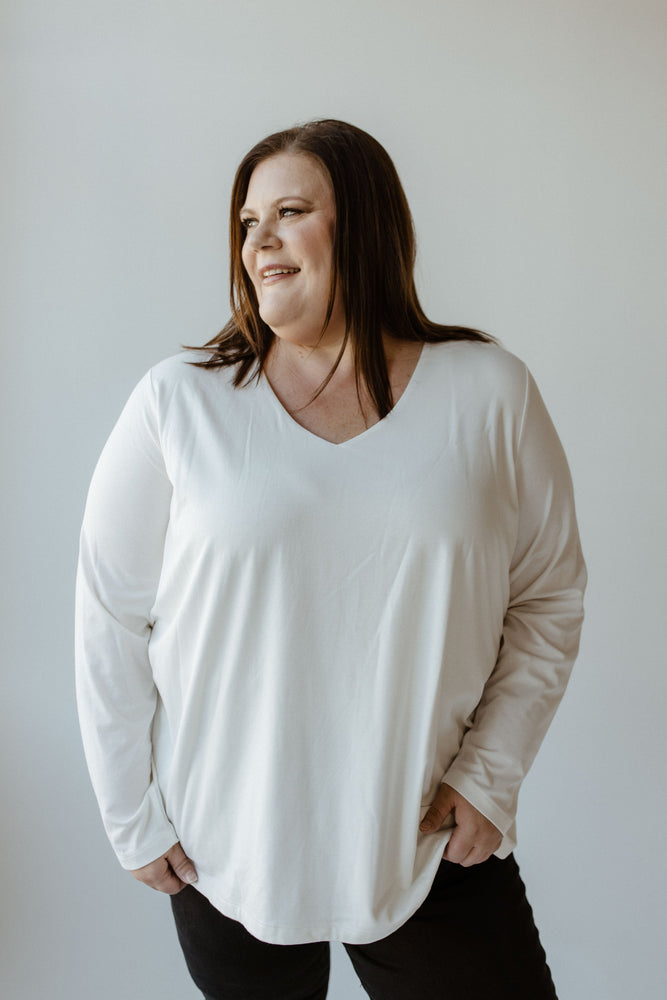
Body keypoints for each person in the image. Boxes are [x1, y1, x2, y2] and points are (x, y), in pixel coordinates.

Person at [75, 119, 586, 1000]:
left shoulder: (489, 394)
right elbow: (109, 614)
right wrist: (133, 817)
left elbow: (547, 598)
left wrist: (489, 777)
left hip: (428, 842)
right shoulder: (179, 404)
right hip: (223, 853)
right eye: (245, 222)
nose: (259, 241)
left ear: (364, 226)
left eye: (290, 211)